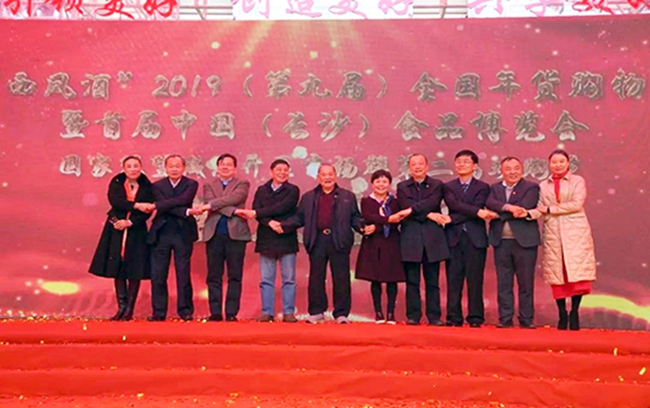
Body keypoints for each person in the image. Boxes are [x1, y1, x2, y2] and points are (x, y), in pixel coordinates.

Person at [270, 163, 363, 324]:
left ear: (335, 176)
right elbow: (299, 218)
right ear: (318, 177)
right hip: (317, 240)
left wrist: (362, 227)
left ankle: (341, 314)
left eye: (330, 174)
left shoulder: (347, 196)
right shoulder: (309, 197)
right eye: (323, 175)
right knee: (316, 278)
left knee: (341, 278)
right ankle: (317, 311)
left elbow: (355, 217)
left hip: (339, 240)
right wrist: (283, 225)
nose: (327, 177)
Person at [529, 149, 596, 331]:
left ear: (568, 163)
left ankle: (574, 312)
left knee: (576, 272)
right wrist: (526, 214)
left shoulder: (577, 181)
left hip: (575, 232)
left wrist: (550, 209)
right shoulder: (544, 185)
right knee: (557, 273)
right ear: (549, 164)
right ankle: (562, 314)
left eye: (561, 161)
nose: (557, 165)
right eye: (554, 162)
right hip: (553, 232)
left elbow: (576, 204)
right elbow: (540, 208)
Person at [89, 156, 154, 321]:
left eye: (136, 166)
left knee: (135, 269)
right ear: (124, 169)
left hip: (137, 230)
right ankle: (121, 307)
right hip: (116, 227)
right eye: (129, 166)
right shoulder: (116, 182)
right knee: (117, 267)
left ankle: (129, 309)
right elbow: (116, 202)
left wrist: (131, 222)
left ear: (141, 167)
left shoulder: (147, 185)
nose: (133, 169)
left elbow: (148, 211)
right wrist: (136, 205)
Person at [235, 159, 300, 323]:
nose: (282, 173)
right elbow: (258, 212)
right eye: (279, 169)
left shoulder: (293, 190)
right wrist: (269, 222)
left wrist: (259, 213)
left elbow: (284, 207)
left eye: (285, 170)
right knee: (266, 279)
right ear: (271, 172)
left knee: (289, 279)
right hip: (267, 237)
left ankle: (288, 312)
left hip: (286, 236)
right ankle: (267, 312)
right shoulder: (262, 190)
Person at [191, 153, 251, 322]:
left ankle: (231, 313)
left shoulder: (243, 183)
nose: (225, 167)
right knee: (214, 275)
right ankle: (215, 312)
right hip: (214, 235)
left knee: (235, 275)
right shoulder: (209, 185)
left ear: (235, 168)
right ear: (217, 167)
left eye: (229, 164)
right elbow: (214, 202)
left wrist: (211, 205)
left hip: (236, 235)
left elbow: (235, 198)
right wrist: (235, 211)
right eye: (222, 164)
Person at [443, 150, 497, 328]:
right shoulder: (448, 186)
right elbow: (454, 205)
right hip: (454, 238)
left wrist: (453, 218)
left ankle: (475, 317)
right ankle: (453, 317)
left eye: (466, 162)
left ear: (475, 166)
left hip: (476, 239)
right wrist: (477, 212)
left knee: (475, 280)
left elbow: (475, 206)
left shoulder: (483, 187)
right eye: (458, 161)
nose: (461, 164)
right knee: (453, 279)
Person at [486, 156, 541, 329]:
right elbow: (489, 203)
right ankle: (505, 318)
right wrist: (509, 208)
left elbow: (526, 206)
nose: (512, 172)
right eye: (508, 169)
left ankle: (526, 318)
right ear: (501, 171)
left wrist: (500, 210)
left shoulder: (531, 187)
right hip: (501, 241)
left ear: (522, 169)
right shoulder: (494, 188)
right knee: (504, 282)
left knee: (526, 282)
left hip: (525, 242)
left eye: (516, 168)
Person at [397, 154, 451, 326]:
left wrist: (414, 211)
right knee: (412, 281)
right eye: (414, 164)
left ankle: (434, 316)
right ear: (409, 168)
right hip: (411, 238)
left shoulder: (437, 184)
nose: (418, 167)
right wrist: (428, 214)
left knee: (432, 282)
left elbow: (431, 202)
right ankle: (413, 316)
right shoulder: (402, 186)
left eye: (421, 163)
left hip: (432, 238)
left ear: (427, 166)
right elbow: (405, 206)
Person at [148, 155, 198, 322]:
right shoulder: (157, 186)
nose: (174, 169)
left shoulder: (191, 184)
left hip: (183, 233)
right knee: (158, 274)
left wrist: (158, 205)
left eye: (178, 166)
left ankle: (185, 310)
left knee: (183, 273)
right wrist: (185, 211)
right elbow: (171, 205)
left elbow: (184, 200)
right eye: (171, 166)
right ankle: (158, 312)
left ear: (184, 168)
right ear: (165, 168)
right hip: (161, 233)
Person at [355, 170, 406, 324]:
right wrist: (388, 219)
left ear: (389, 184)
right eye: (377, 181)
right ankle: (378, 313)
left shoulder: (395, 202)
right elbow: (369, 217)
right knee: (375, 279)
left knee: (392, 279)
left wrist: (379, 224)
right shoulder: (366, 201)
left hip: (392, 243)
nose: (381, 185)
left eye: (384, 182)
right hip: (373, 243)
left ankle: (391, 313)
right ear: (372, 184)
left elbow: (398, 220)